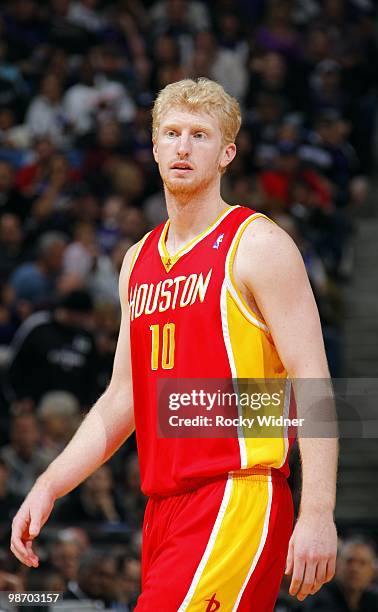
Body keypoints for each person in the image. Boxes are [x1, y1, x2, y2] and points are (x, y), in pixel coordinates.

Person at [10, 78, 338, 610]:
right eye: (172, 133)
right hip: (163, 509)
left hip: (237, 493)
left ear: (227, 152)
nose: (184, 147)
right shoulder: (137, 260)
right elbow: (124, 398)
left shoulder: (258, 245)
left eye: (201, 135)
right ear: (155, 146)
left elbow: (314, 384)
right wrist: (50, 483)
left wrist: (318, 511)